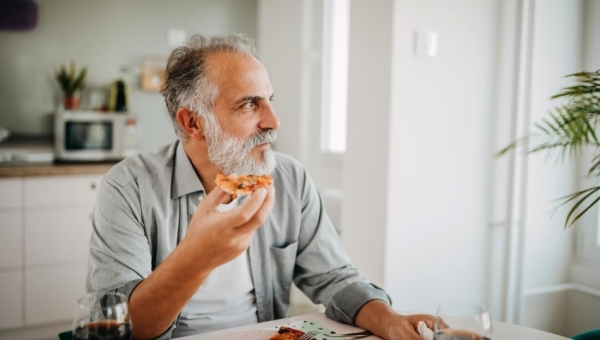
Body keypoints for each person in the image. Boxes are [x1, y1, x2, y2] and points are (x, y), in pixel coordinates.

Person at [86, 33, 435, 340]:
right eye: (250, 104)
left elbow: (335, 277)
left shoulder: (289, 178)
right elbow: (121, 326)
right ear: (193, 122)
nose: (273, 121)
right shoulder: (127, 188)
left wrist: (390, 322)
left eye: (269, 99)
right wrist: (196, 258)